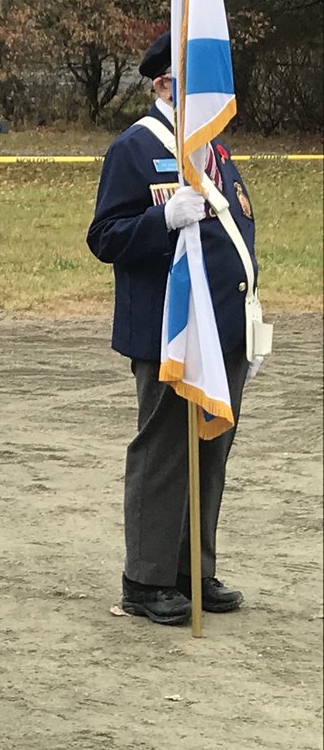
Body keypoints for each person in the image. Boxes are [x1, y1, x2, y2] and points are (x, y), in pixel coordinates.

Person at [87, 30, 254, 626]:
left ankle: (192, 569)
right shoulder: (134, 148)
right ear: (163, 84)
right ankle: (147, 578)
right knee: (163, 450)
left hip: (223, 328)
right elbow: (104, 237)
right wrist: (162, 219)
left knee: (211, 447)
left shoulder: (216, 151)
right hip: (167, 329)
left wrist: (248, 314)